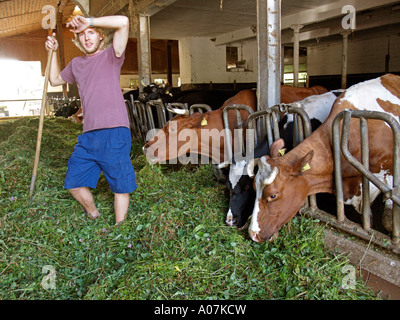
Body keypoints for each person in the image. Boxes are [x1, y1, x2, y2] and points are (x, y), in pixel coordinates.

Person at [45, 15, 136, 224]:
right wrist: (52, 51)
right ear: (77, 41)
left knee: (120, 185)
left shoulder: (112, 56)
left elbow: (123, 22)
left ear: (100, 36)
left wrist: (90, 21)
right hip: (88, 135)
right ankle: (93, 214)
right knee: (73, 182)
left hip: (114, 131)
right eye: (82, 35)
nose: (87, 38)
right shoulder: (76, 64)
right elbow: (54, 79)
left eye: (91, 33)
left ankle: (120, 230)